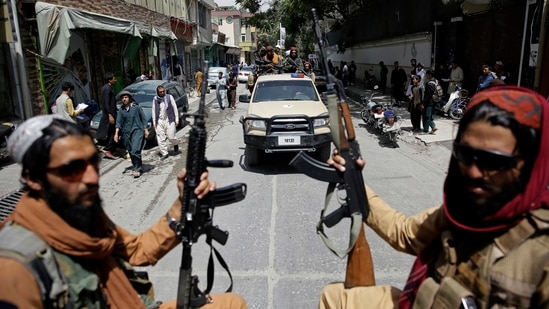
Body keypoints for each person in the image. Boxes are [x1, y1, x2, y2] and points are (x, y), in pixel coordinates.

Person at [319, 86, 549, 308]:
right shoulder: (461, 210)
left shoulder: (540, 251)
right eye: (465, 155)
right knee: (335, 296)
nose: (473, 171)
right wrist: (353, 180)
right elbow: (405, 233)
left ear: (530, 166)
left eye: (493, 162)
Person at [0, 114, 248, 309]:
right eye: (72, 168)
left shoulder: (82, 214)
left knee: (233, 303)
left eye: (93, 162)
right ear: (33, 178)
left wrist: (182, 204)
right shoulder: (14, 266)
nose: (91, 178)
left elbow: (138, 251)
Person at [114, 91, 149, 178]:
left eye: (125, 97)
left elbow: (144, 119)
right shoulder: (121, 110)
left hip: (137, 131)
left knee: (135, 150)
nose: (124, 99)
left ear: (129, 98)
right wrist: (116, 134)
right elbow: (118, 122)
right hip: (126, 133)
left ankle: (137, 168)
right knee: (130, 151)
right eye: (122, 98)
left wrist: (146, 130)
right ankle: (137, 165)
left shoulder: (136, 108)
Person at [152, 85, 180, 161]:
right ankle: (164, 153)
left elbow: (175, 108)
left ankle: (175, 143)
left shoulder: (169, 97)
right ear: (157, 92)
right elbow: (154, 111)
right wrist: (154, 122)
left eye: (163, 91)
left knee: (171, 136)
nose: (162, 93)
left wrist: (176, 119)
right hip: (160, 121)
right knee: (160, 138)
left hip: (169, 119)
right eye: (160, 92)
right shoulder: (155, 99)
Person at [96, 72, 119, 160]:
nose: (115, 80)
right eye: (114, 78)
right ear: (110, 80)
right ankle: (107, 149)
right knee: (113, 133)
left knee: (111, 132)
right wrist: (110, 115)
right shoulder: (106, 89)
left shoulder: (109, 88)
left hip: (112, 113)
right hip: (109, 115)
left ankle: (113, 150)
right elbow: (106, 103)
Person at [422, 70, 438, 134]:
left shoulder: (430, 84)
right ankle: (433, 127)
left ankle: (426, 129)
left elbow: (428, 95)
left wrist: (423, 103)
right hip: (433, 102)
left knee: (427, 116)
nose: (426, 75)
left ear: (430, 75)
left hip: (429, 103)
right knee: (429, 116)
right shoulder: (435, 81)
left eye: (427, 74)